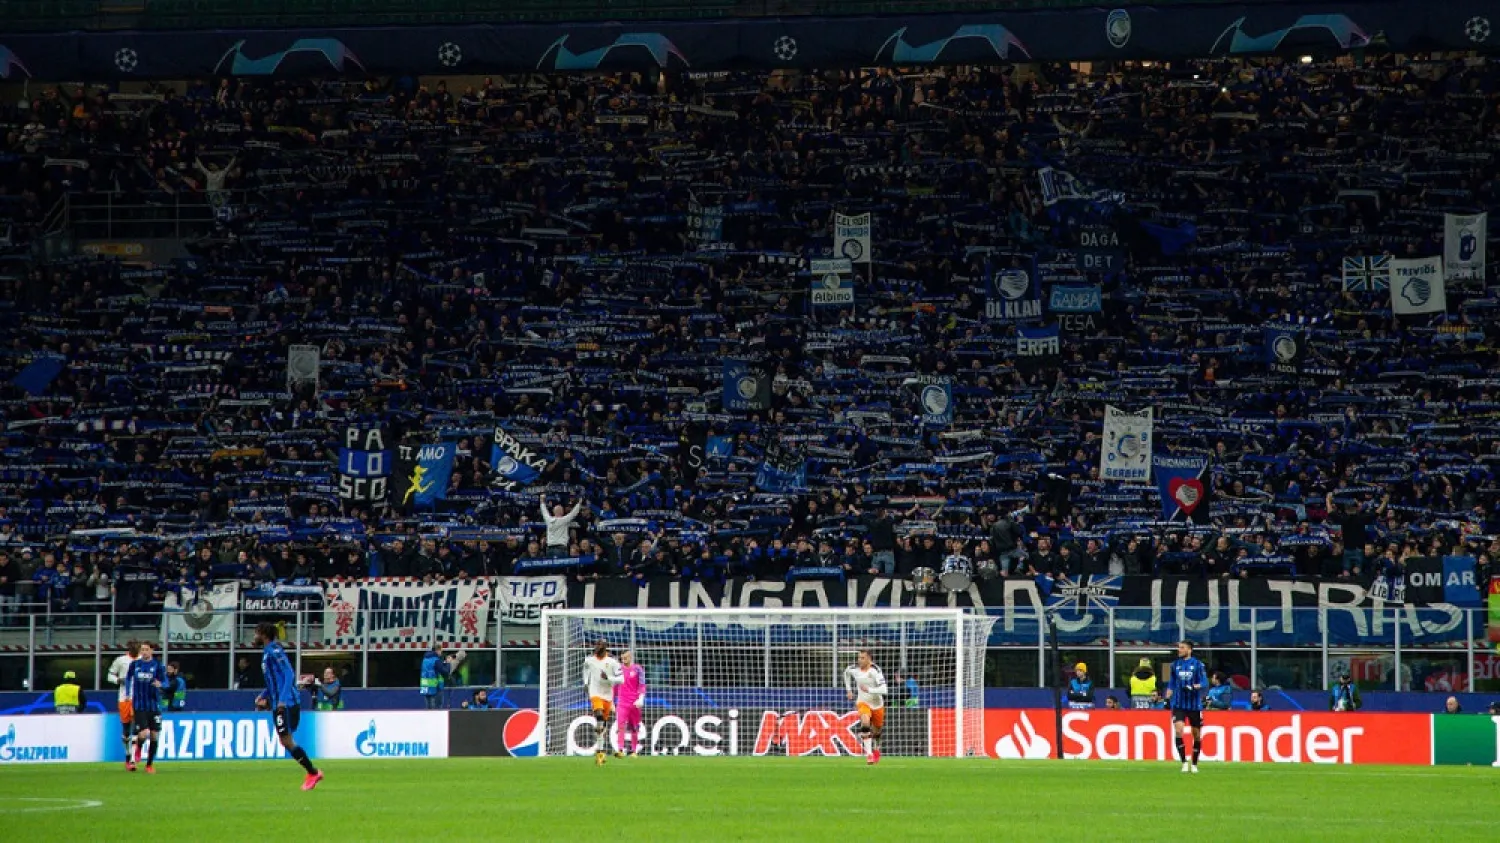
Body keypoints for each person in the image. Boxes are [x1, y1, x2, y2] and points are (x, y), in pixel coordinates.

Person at [253, 622, 322, 790]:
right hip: (279, 703)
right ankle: (312, 772)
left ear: (263, 633)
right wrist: (263, 696)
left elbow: (289, 674)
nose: (254, 636)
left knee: (286, 740)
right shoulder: (267, 652)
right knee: (286, 741)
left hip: (286, 703)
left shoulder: (274, 650)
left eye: (256, 633)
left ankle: (313, 773)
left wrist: (282, 700)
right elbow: (273, 681)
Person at [1165, 640, 1208, 774]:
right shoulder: (1174, 665)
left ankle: (1194, 763)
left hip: (1194, 705)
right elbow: (1171, 682)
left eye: (1182, 648)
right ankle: (1184, 762)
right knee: (1179, 730)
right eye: (1179, 647)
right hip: (1179, 704)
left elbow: (1204, 682)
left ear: (1189, 650)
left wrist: (1194, 686)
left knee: (1196, 735)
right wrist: (1168, 696)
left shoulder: (1198, 664)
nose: (1179, 650)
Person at [124, 642, 167, 773]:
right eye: (142, 649)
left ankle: (149, 765)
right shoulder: (135, 664)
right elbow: (128, 678)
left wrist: (160, 684)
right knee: (144, 732)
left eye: (146, 649)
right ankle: (138, 748)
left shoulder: (157, 666)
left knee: (154, 736)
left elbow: (165, 682)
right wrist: (127, 693)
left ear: (151, 651)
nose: (144, 652)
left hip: (154, 705)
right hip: (139, 705)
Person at [844, 649, 889, 766]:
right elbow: (846, 673)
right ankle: (869, 754)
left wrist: (869, 690)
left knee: (877, 731)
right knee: (865, 722)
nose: (859, 660)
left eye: (862, 658)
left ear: (869, 659)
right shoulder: (854, 669)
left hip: (877, 704)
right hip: (863, 702)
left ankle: (877, 749)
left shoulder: (875, 671)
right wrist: (848, 690)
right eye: (859, 657)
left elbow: (884, 690)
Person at [582, 641, 623, 766]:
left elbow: (621, 679)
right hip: (595, 692)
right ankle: (600, 746)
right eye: (596, 646)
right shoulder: (589, 660)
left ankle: (600, 753)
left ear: (605, 649)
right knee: (599, 715)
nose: (597, 649)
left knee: (602, 726)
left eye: (600, 647)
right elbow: (585, 670)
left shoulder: (613, 663)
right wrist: (585, 682)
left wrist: (608, 678)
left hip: (607, 695)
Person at [106, 640, 139, 760]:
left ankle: (133, 758)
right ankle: (127, 753)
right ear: (129, 649)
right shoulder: (121, 660)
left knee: (137, 726)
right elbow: (110, 675)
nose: (136, 650)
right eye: (134, 648)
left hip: (138, 698)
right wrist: (118, 680)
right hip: (124, 697)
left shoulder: (143, 661)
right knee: (126, 728)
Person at [615, 649, 647, 758]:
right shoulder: (618, 669)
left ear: (630, 657)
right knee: (621, 726)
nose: (624, 660)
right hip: (622, 703)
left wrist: (641, 697)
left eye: (625, 658)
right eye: (622, 658)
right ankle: (620, 749)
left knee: (634, 727)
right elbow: (615, 686)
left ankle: (634, 751)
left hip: (634, 703)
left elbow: (642, 684)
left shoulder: (638, 669)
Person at [420, 644, 458, 710]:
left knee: (428, 708)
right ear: (438, 650)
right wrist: (448, 663)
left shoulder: (425, 659)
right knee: (437, 708)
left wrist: (442, 663)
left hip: (425, 686)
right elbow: (445, 672)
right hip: (435, 687)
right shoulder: (436, 660)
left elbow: (432, 669)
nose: (441, 653)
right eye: (441, 651)